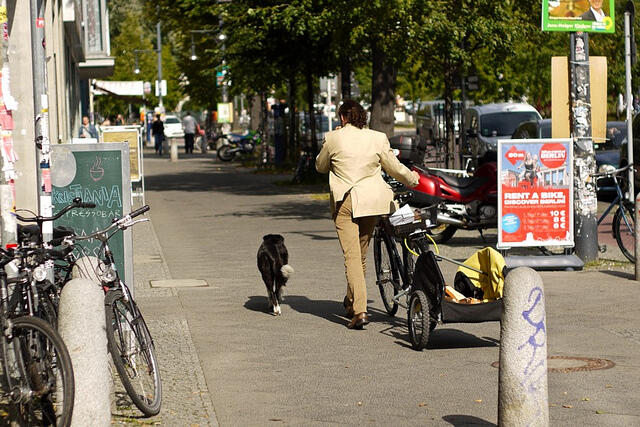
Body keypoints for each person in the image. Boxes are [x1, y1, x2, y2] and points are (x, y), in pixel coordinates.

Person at [315, 100, 420, 330]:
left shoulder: (333, 138)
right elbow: (393, 167)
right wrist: (413, 180)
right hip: (372, 203)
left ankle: (360, 311)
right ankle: (352, 300)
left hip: (346, 202)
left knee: (352, 257)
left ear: (342, 117)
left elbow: (320, 166)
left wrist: (331, 142)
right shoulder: (377, 137)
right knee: (359, 255)